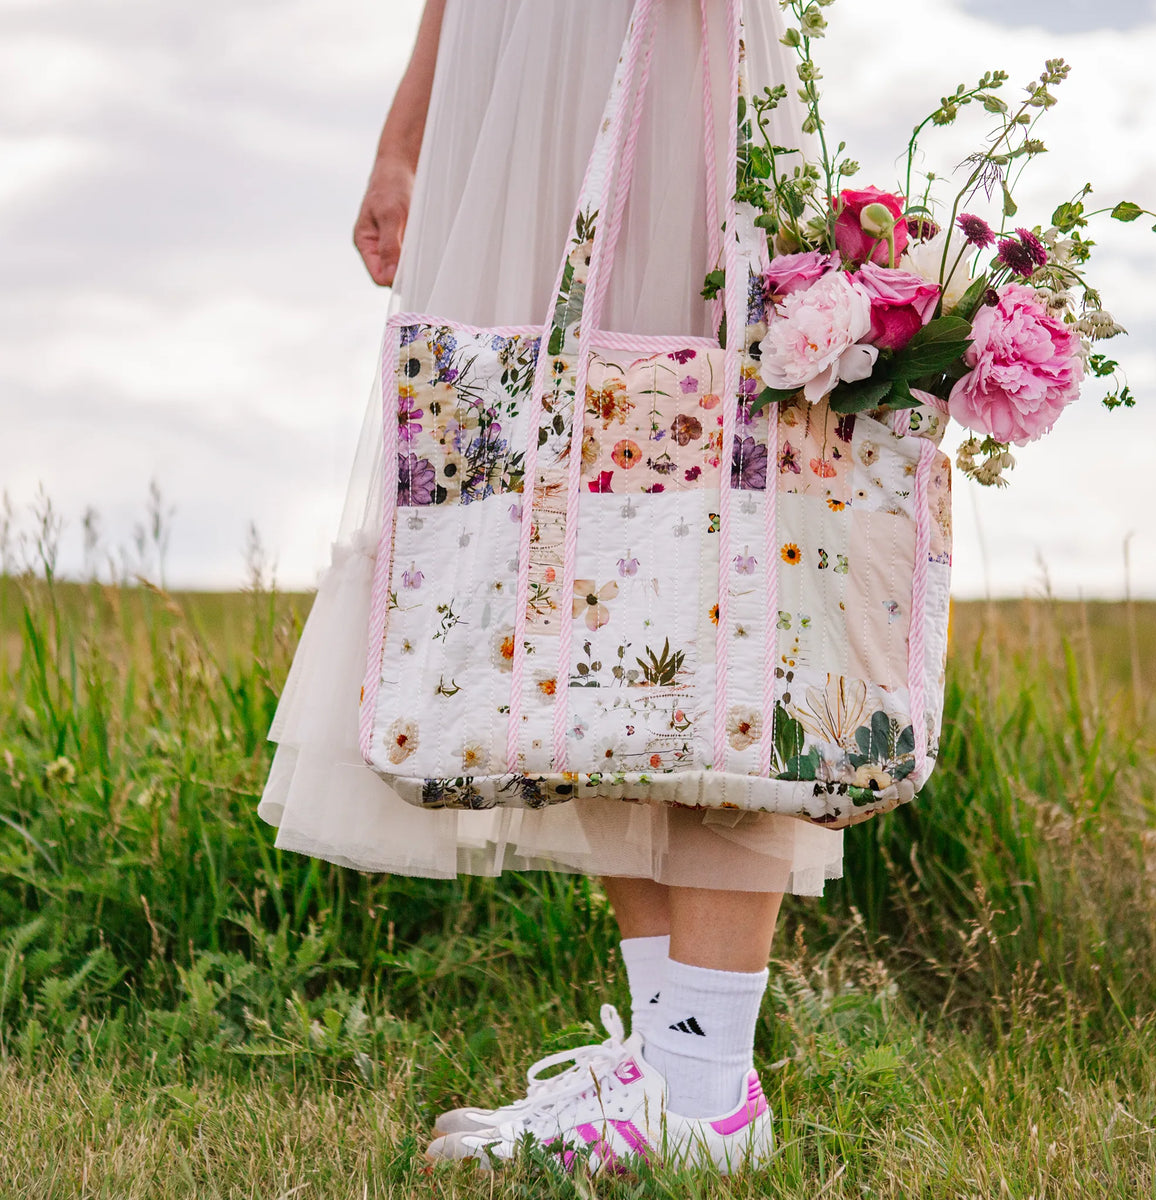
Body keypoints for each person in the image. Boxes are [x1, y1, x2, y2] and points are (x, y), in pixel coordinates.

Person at [260, 0, 845, 1174]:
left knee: (713, 528)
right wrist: (410, 124)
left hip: (679, 32)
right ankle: (669, 1068)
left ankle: (706, 1090)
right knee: (575, 545)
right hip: (515, 49)